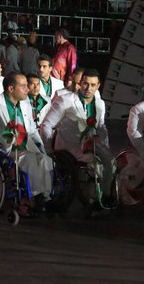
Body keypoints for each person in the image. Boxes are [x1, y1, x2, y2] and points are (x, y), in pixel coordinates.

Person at [0, 72, 54, 209]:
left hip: (24, 147)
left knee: (45, 160)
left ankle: (45, 197)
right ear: (11, 89)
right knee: (32, 161)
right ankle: (35, 198)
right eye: (24, 86)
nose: (28, 89)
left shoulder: (25, 104)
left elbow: (32, 130)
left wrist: (42, 148)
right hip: (2, 150)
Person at [40, 69, 114, 202]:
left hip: (92, 144)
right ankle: (93, 198)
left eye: (92, 85)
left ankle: (106, 195)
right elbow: (46, 125)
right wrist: (49, 150)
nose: (88, 88)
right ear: (80, 83)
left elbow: (101, 127)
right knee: (96, 163)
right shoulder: (65, 101)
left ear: (98, 86)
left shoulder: (99, 104)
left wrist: (104, 145)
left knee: (111, 161)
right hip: (68, 146)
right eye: (85, 84)